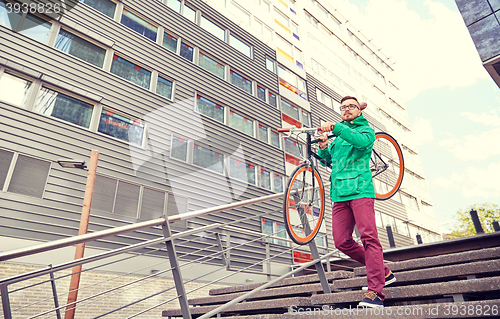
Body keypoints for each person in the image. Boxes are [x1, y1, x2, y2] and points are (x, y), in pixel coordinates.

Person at [317, 96, 396, 308]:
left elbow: (360, 142)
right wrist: (324, 146)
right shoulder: (339, 137)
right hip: (340, 194)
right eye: (343, 107)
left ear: (359, 111)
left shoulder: (365, 131)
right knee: (341, 241)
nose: (346, 110)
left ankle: (376, 292)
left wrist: (336, 127)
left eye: (351, 106)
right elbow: (328, 162)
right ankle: (384, 270)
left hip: (360, 190)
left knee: (368, 237)